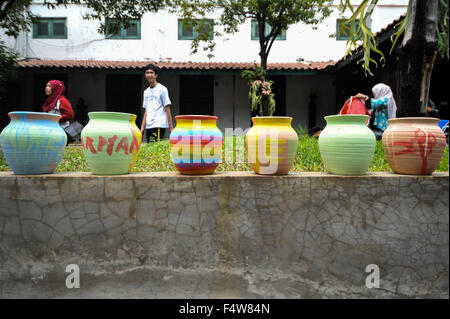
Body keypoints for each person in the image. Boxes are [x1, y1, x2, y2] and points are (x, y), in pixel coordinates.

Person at [139, 63, 174, 142]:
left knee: (156, 149)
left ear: (156, 75)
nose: (149, 74)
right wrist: (142, 128)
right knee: (151, 149)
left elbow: (167, 107)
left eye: (151, 72)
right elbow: (146, 111)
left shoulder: (162, 89)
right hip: (149, 125)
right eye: (147, 72)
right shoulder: (146, 92)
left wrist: (171, 128)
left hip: (158, 124)